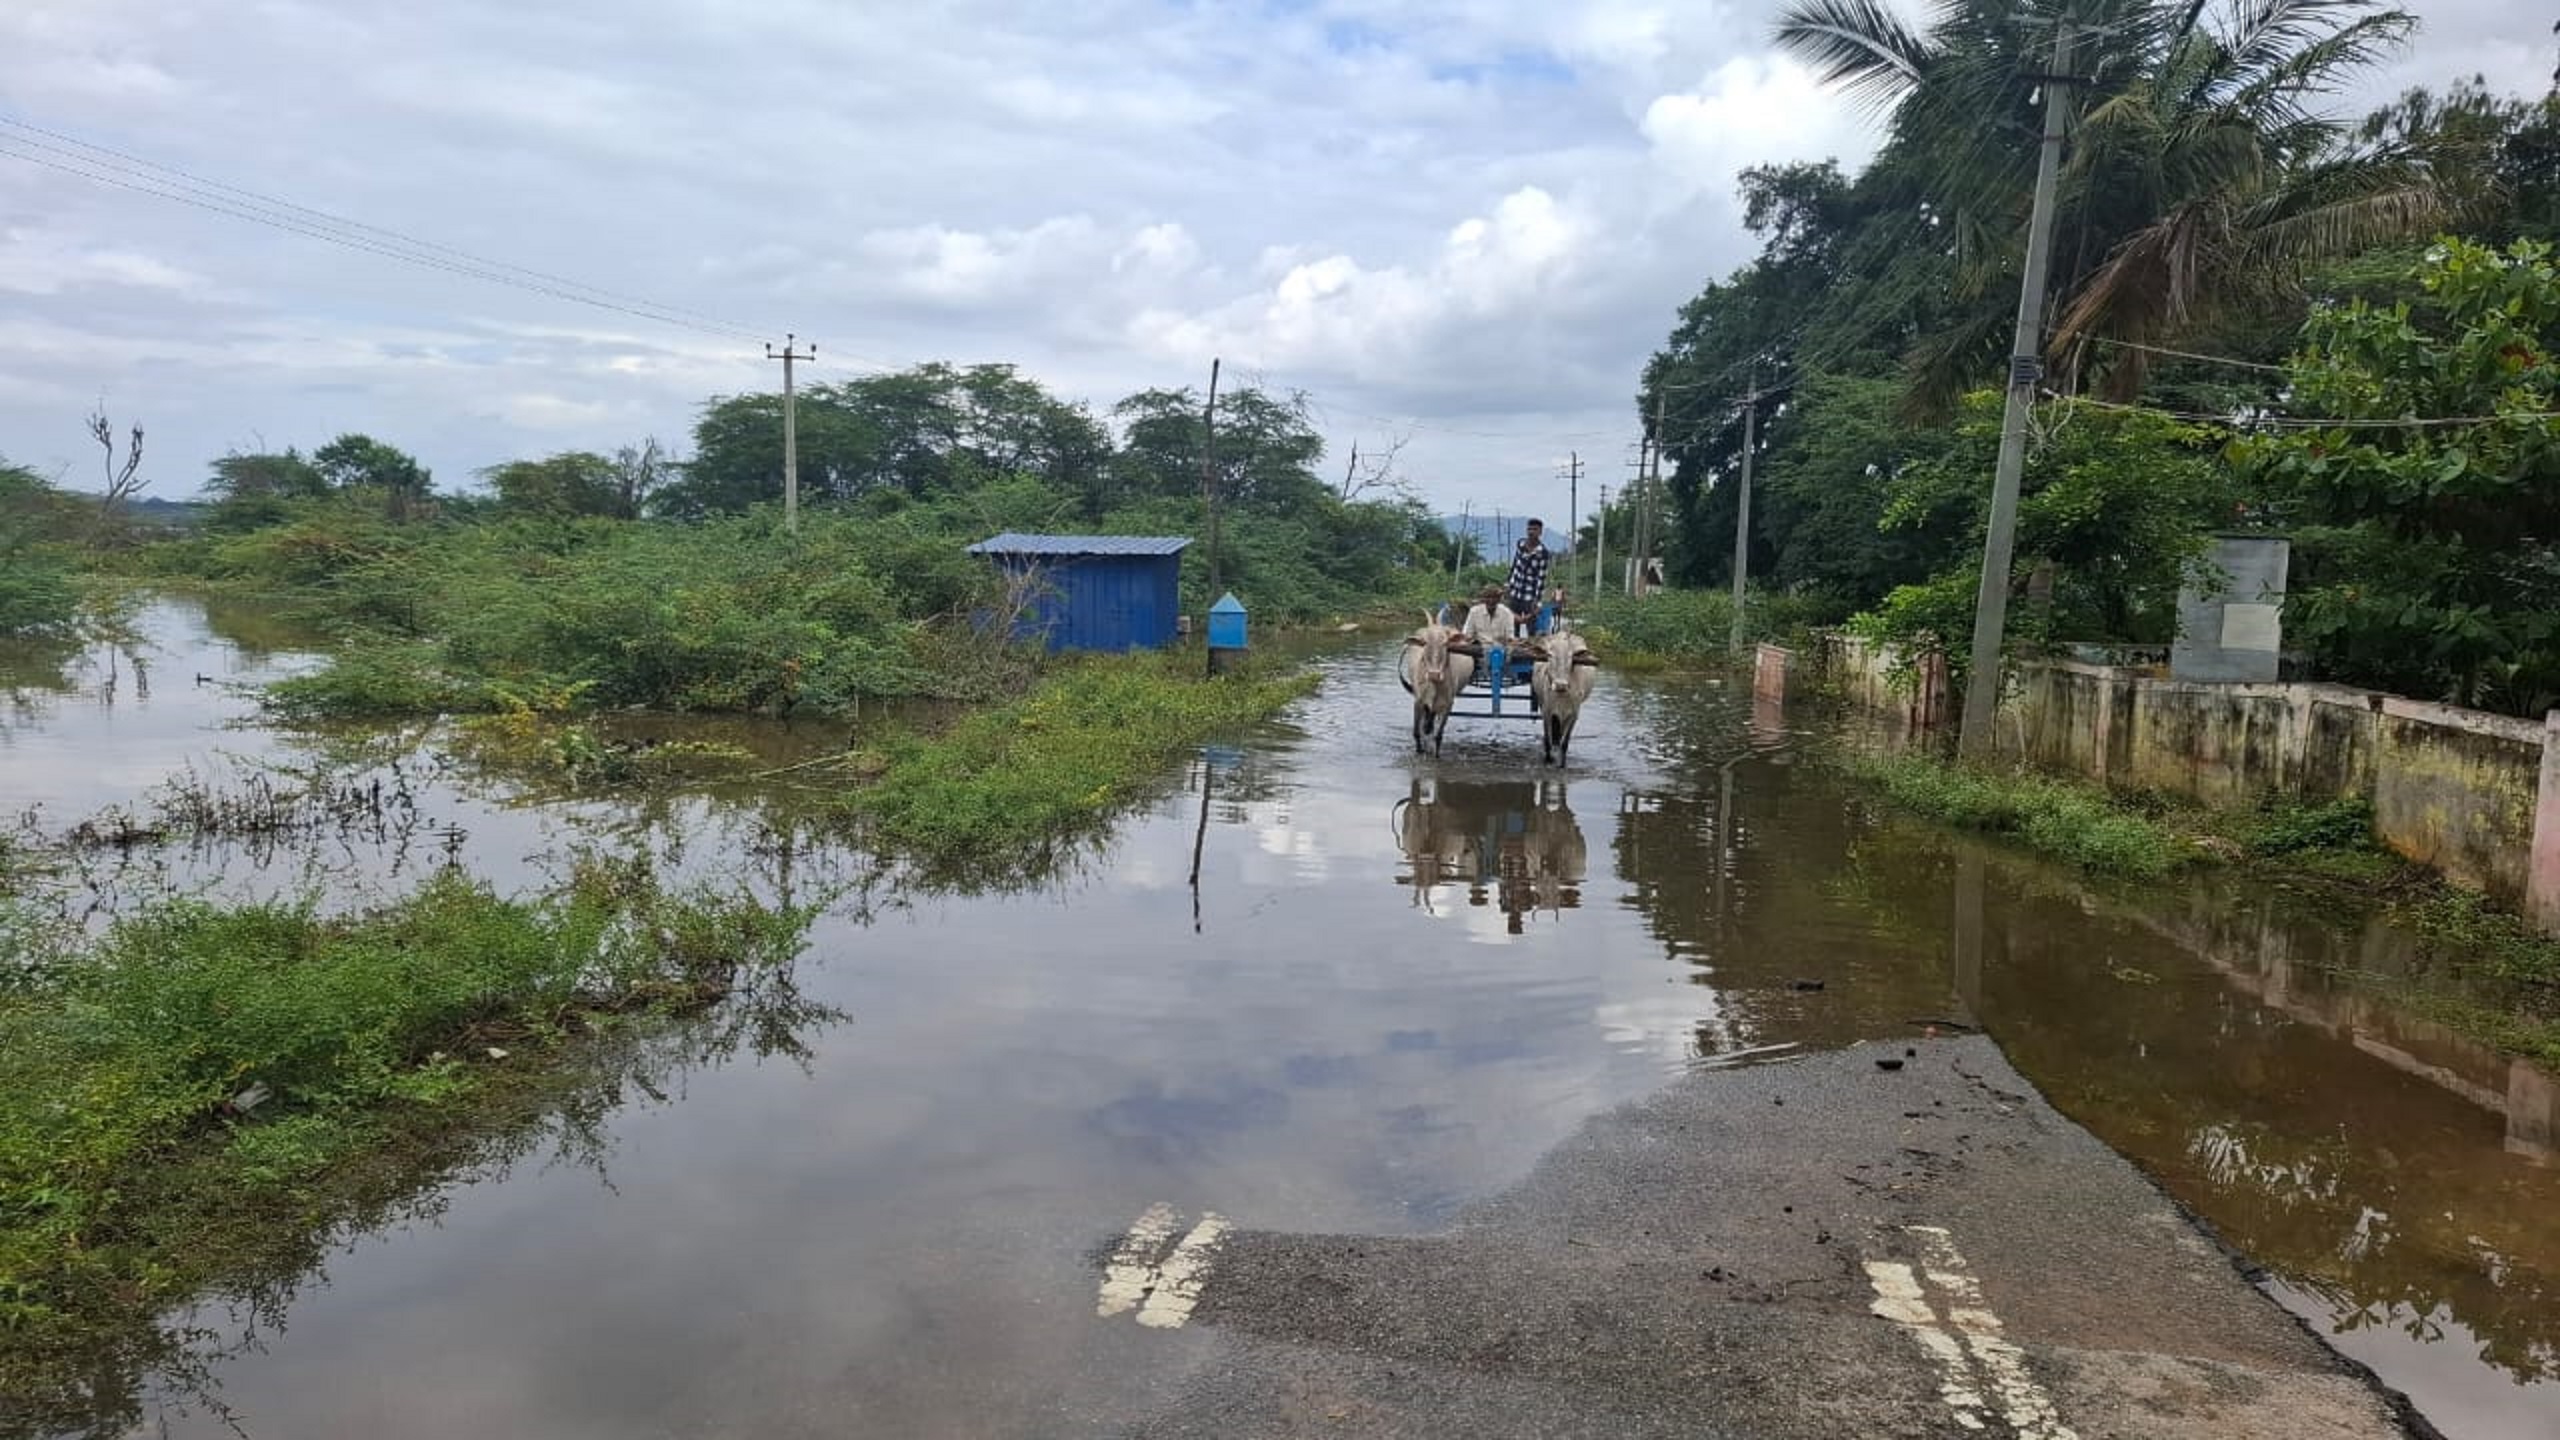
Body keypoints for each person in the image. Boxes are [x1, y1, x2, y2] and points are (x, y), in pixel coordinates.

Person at [1505, 518, 1551, 636]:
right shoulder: (1521, 544)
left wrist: (1537, 600)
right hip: (1515, 592)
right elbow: (1515, 565)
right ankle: (1512, 652)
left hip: (1529, 596)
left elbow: (1541, 578)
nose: (1531, 532)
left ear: (1540, 532)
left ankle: (1530, 651)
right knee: (1511, 627)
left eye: (1535, 529)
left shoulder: (1543, 553)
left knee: (1532, 629)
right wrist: (1508, 584)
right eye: (1529, 529)